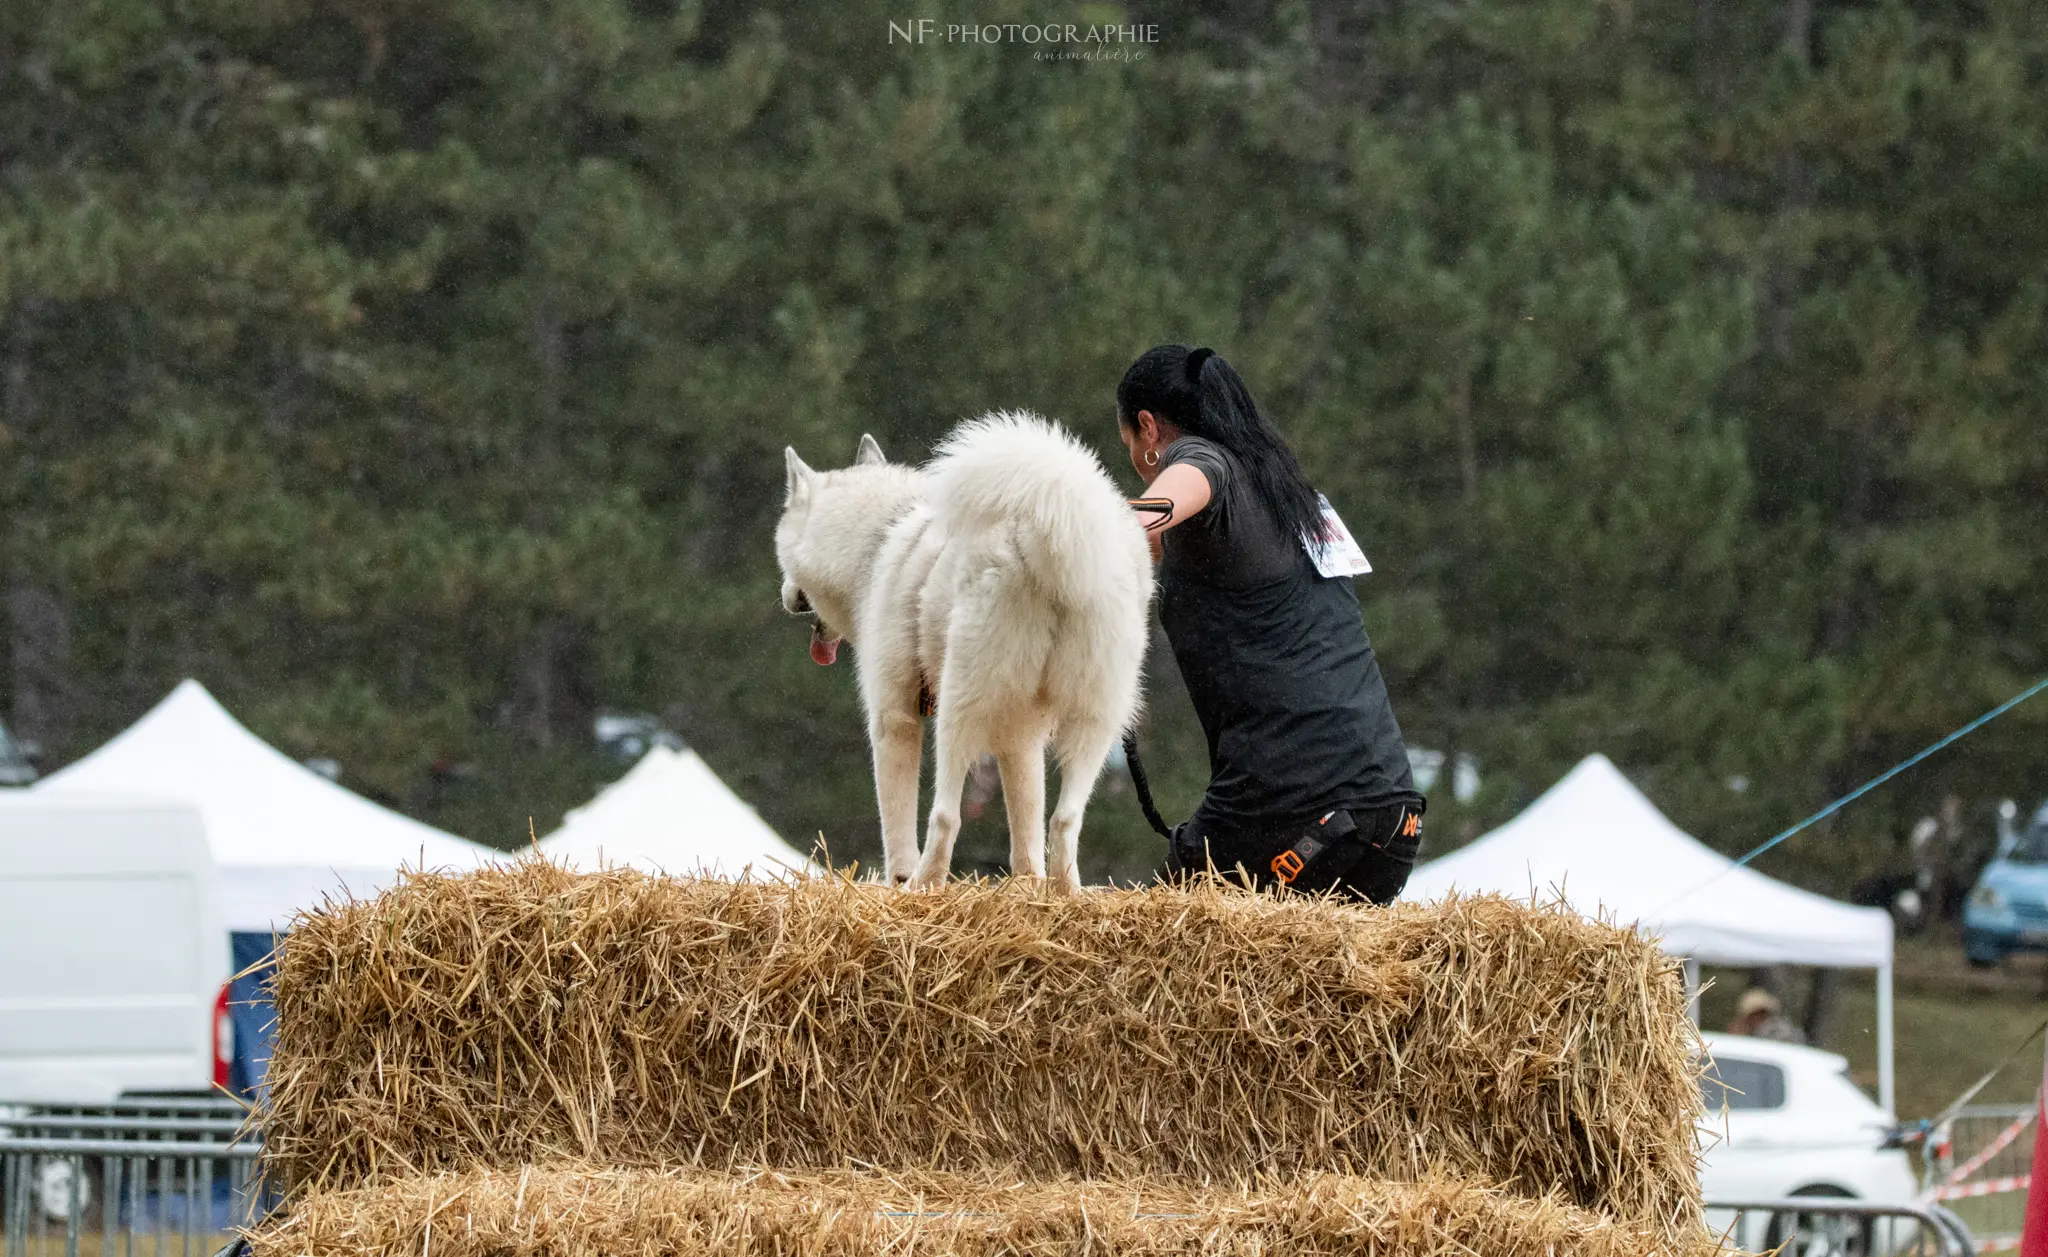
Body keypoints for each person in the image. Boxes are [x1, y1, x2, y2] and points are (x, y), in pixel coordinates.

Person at [1117, 343, 1424, 904]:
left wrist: (1072, 522)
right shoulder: (1290, 498)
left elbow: (1141, 520)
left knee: (1148, 949)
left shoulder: (1204, 464)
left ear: (1148, 429)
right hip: (1392, 820)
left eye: (1130, 446)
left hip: (1296, 817)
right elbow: (1145, 553)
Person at [1726, 988, 1806, 1043]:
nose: (1757, 1019)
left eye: (1762, 1014)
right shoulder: (1745, 1032)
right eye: (1754, 1016)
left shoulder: (1778, 1032)